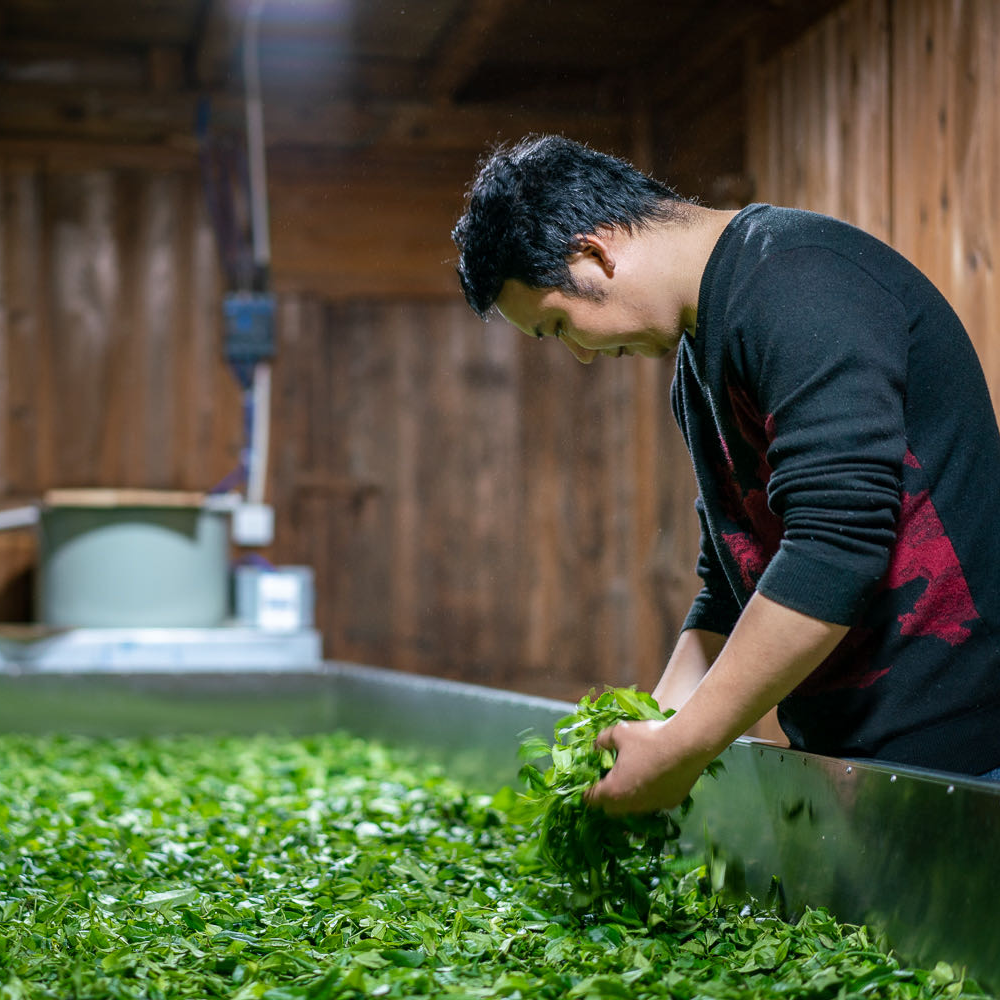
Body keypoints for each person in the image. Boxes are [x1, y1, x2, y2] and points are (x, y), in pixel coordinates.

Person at [451, 134, 1000, 813]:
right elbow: (732, 583)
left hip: (971, 762)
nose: (583, 356)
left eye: (558, 326)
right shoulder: (696, 366)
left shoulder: (798, 282)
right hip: (857, 764)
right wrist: (650, 729)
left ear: (593, 254)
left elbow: (835, 549)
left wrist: (685, 748)